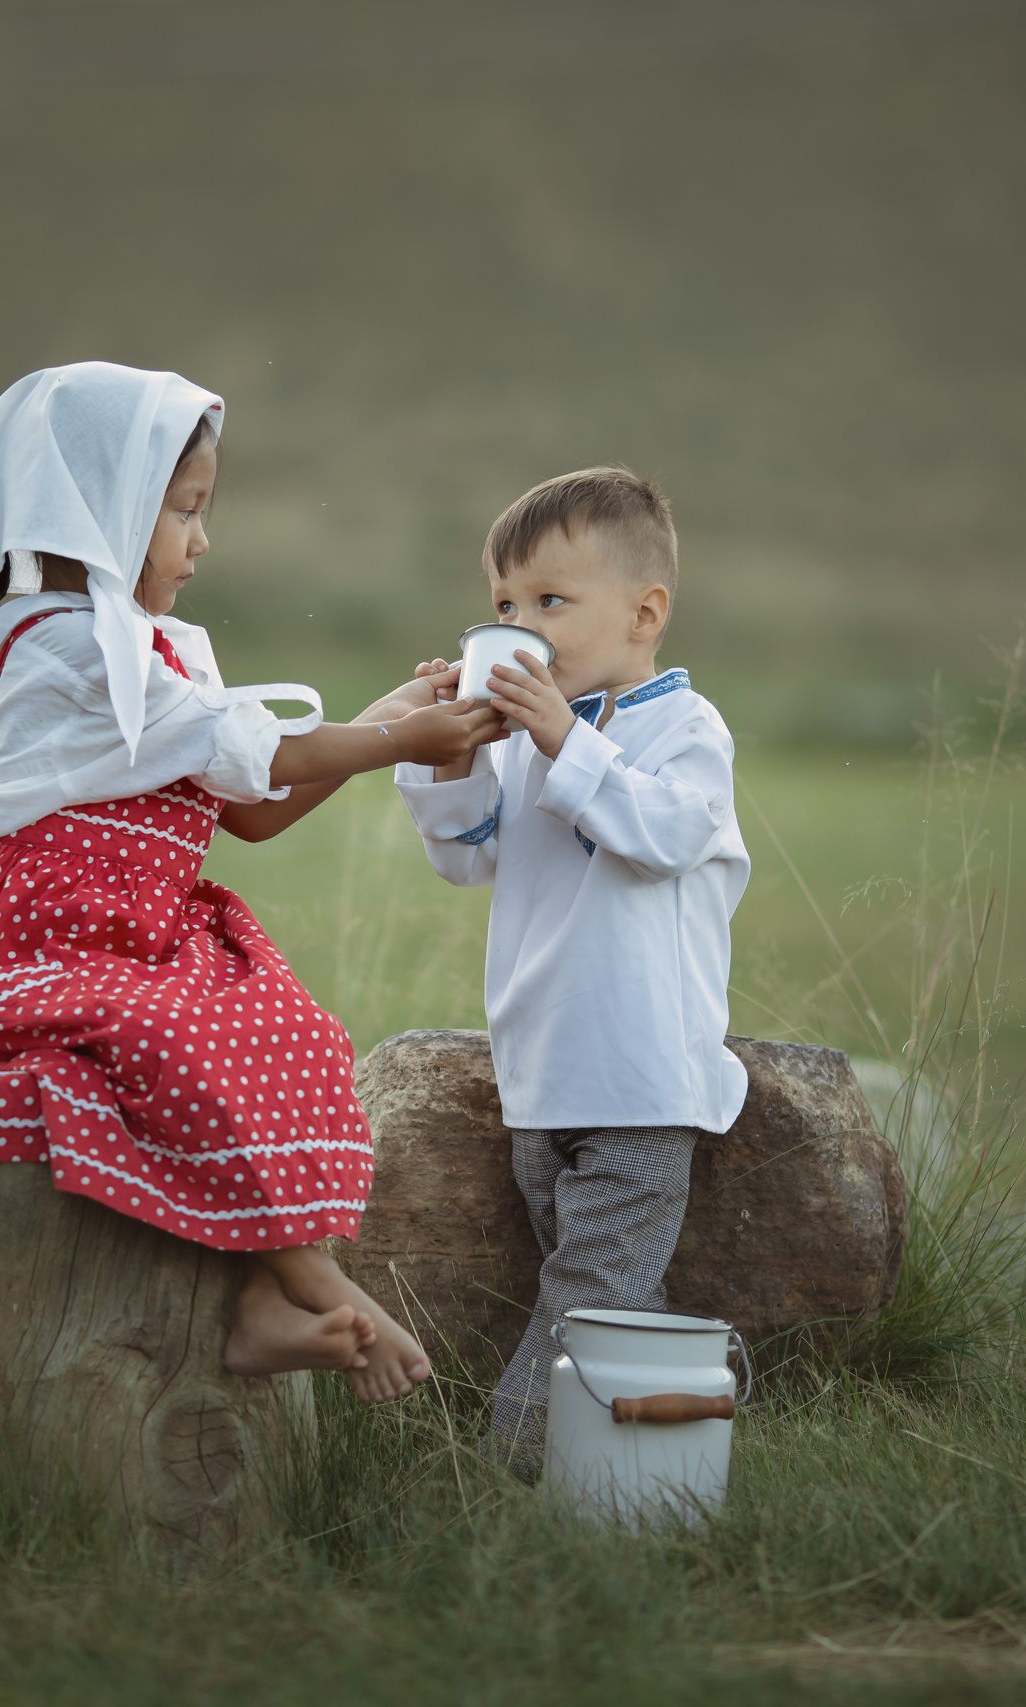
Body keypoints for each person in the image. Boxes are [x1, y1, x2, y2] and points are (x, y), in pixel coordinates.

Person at [0, 362, 499, 1402]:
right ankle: (318, 1285)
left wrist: (393, 715)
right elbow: (263, 756)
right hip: (51, 933)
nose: (202, 539)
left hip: (145, 932)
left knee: (293, 1029)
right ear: (103, 514)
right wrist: (396, 738)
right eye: (182, 510)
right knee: (180, 1037)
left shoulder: (155, 652)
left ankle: (260, 1302)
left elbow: (254, 806)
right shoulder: (69, 646)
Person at [391, 467, 750, 1457]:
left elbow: (664, 835)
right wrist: (452, 751)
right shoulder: (524, 744)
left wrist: (559, 738)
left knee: (589, 1295)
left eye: (550, 600)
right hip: (541, 1070)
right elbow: (465, 856)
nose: (523, 625)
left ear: (645, 614)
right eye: (505, 606)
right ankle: (655, 1456)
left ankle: (514, 1466)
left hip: (640, 1079)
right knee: (601, 1289)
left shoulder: (685, 729)